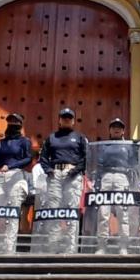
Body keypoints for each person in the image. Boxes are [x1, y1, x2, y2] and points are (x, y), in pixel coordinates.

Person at [39, 108, 88, 253]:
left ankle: (71, 248)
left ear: (73, 120)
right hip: (55, 174)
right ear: (59, 120)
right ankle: (53, 246)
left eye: (69, 117)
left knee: (71, 210)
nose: (66, 120)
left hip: (72, 174)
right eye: (64, 117)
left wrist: (75, 170)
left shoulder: (79, 137)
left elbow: (86, 158)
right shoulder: (51, 137)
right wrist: (49, 170)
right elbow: (43, 158)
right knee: (53, 209)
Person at [0, 113, 32, 253]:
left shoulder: (24, 141)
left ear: (21, 124)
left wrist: (10, 166)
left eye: (16, 121)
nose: (12, 124)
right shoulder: (0, 143)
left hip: (16, 176)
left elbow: (28, 159)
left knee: (12, 211)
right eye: (10, 121)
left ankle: (8, 245)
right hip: (0, 177)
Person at [92, 118, 139, 255]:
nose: (116, 129)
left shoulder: (128, 146)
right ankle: (101, 245)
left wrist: (136, 149)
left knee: (122, 212)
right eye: (113, 127)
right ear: (110, 130)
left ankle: (123, 245)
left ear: (123, 130)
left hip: (122, 177)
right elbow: (99, 164)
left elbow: (133, 163)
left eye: (119, 127)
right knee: (103, 213)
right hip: (106, 177)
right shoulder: (105, 145)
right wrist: (97, 182)